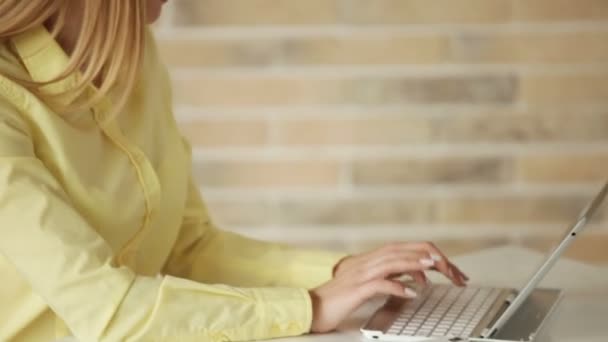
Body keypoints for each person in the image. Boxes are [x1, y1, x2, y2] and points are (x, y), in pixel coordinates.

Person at [0, 1, 468, 341]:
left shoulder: (133, 55)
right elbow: (107, 312)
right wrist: (311, 306)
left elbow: (188, 248)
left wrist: (344, 273)